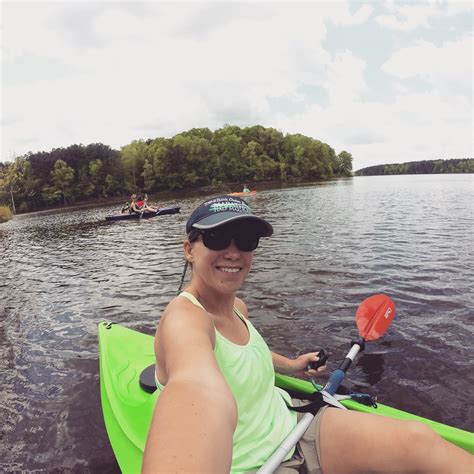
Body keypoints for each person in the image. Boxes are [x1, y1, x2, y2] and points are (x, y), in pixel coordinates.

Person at [142, 195, 472, 473]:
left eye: (245, 240)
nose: (233, 252)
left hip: (292, 423)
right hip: (254, 464)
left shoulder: (238, 307)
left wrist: (293, 366)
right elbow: (197, 387)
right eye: (216, 239)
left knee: (418, 440)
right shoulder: (183, 320)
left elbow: (240, 357)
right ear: (189, 249)